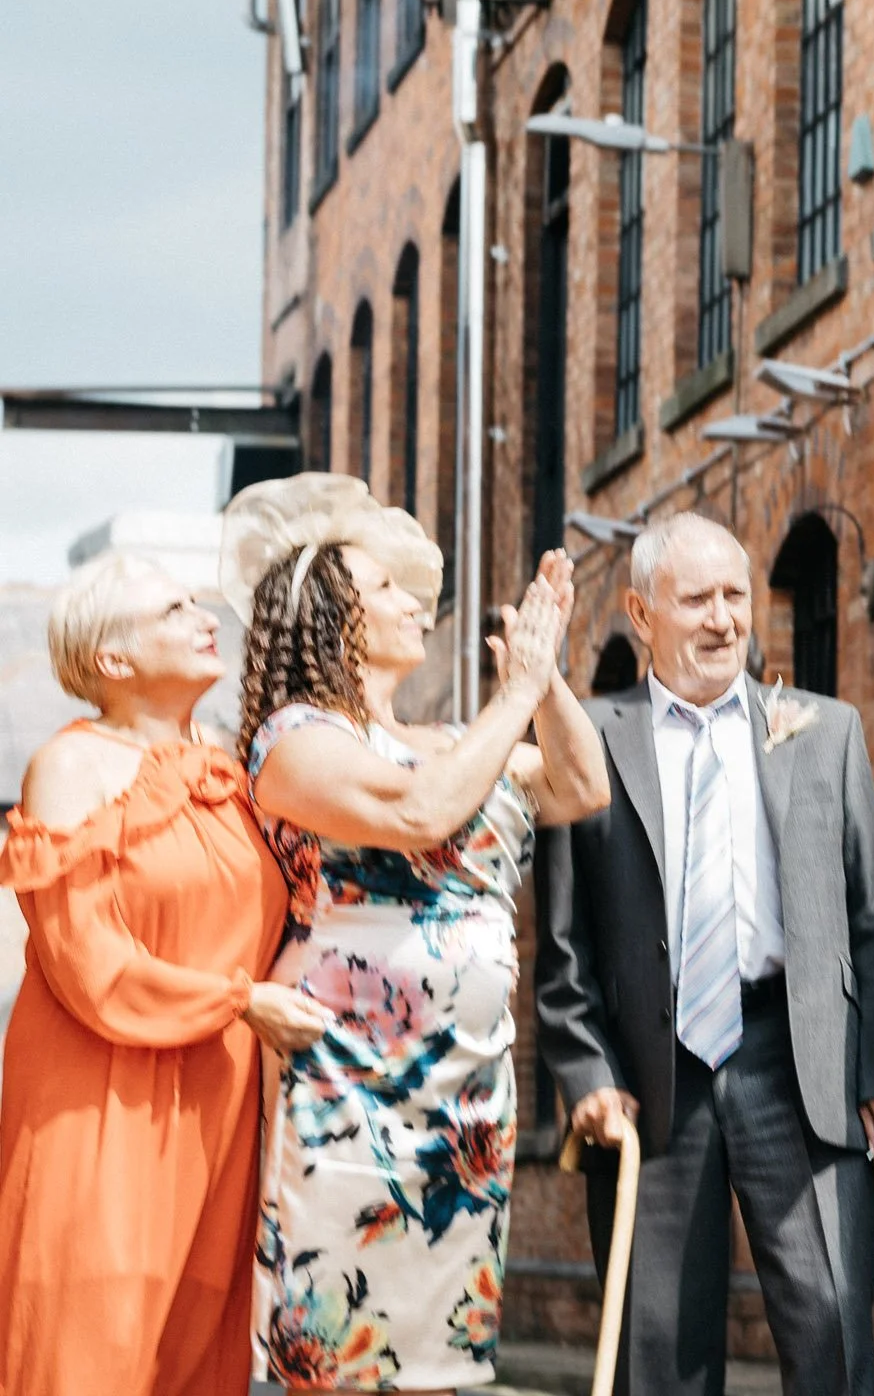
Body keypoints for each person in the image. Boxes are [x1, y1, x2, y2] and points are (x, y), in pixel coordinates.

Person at [227, 472, 610, 1393]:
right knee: (342, 1344)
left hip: (468, 1087)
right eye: (386, 587)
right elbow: (418, 815)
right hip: (353, 1081)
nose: (414, 603)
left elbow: (582, 787)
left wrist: (545, 679)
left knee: (441, 1359)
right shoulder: (295, 738)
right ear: (332, 617)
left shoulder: (454, 739)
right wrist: (514, 697)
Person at [535, 511, 874, 1396]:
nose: (723, 620)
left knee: (831, 1328)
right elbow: (562, 941)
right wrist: (587, 1073)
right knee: (657, 1351)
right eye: (697, 600)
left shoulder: (824, 731)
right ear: (641, 614)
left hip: (796, 1063)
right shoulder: (589, 738)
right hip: (651, 1075)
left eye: (735, 596)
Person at [0, 550, 322, 1396]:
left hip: (217, 1107)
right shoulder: (70, 766)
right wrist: (240, 999)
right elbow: (86, 961)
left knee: (191, 1361)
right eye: (174, 610)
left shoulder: (236, 770)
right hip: (99, 1108)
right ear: (112, 658)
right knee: (88, 1354)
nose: (205, 617)